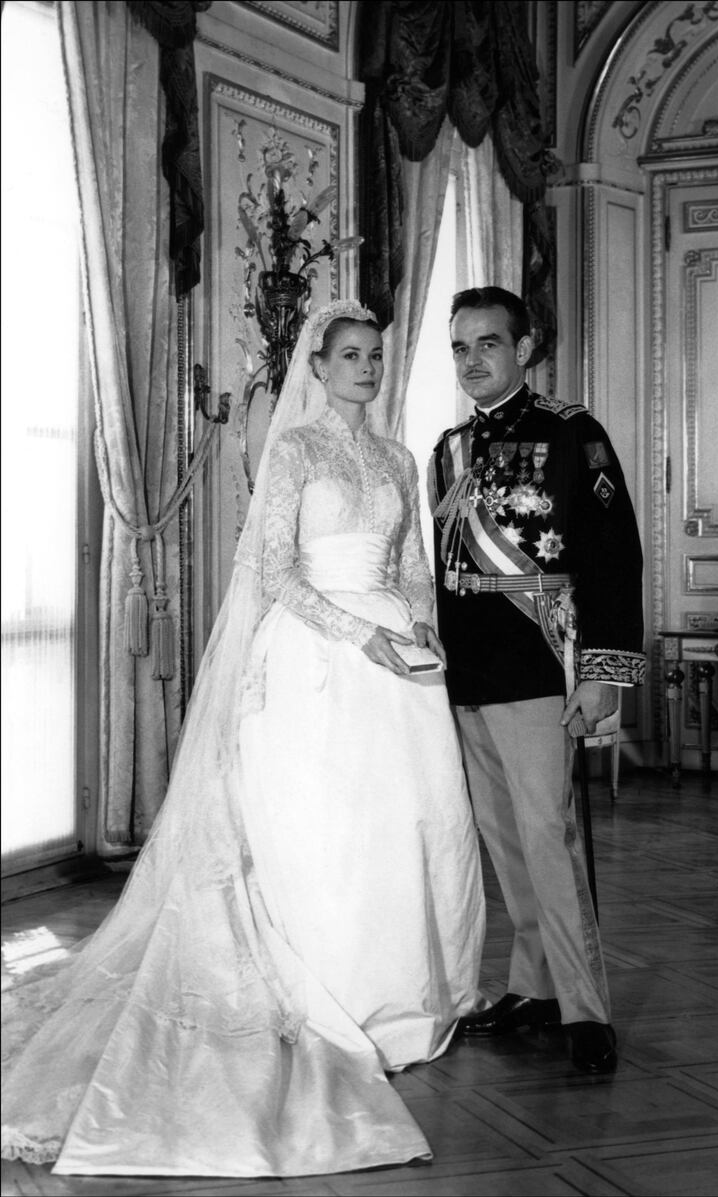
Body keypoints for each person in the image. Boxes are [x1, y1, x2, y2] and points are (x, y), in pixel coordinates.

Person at [1, 301, 485, 1177]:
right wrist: (356, 631)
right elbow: (272, 569)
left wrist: (420, 621)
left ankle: (401, 1001)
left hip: (398, 661)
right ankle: (322, 990)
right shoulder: (294, 451)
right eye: (351, 355)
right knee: (320, 823)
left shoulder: (399, 455)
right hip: (318, 650)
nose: (367, 367)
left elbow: (411, 559)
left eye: (377, 355)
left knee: (401, 823)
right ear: (320, 365)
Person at [429, 286, 645, 1075]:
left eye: (488, 343)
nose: (472, 360)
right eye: (460, 347)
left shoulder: (572, 434)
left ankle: (586, 1007)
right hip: (466, 667)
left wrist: (604, 674)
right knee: (504, 839)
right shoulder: (447, 449)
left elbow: (615, 559)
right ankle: (535, 985)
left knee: (549, 836)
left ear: (525, 348)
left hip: (535, 661)